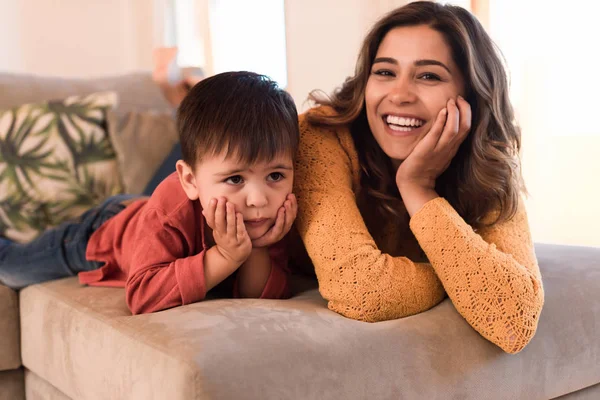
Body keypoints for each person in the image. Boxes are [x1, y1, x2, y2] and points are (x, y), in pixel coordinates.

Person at [293, 1, 544, 354]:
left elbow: (513, 318)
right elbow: (361, 290)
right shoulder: (321, 135)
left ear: (470, 94)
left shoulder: (488, 157)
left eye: (428, 76)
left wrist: (417, 188)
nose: (399, 95)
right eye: (384, 72)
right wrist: (458, 275)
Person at [0, 71, 299, 315]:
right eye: (235, 179)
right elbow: (143, 296)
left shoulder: (268, 212)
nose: (259, 199)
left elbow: (260, 296)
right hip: (103, 231)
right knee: (13, 268)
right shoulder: (171, 211)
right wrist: (225, 255)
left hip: (138, 209)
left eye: (275, 175)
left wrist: (256, 248)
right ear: (191, 181)